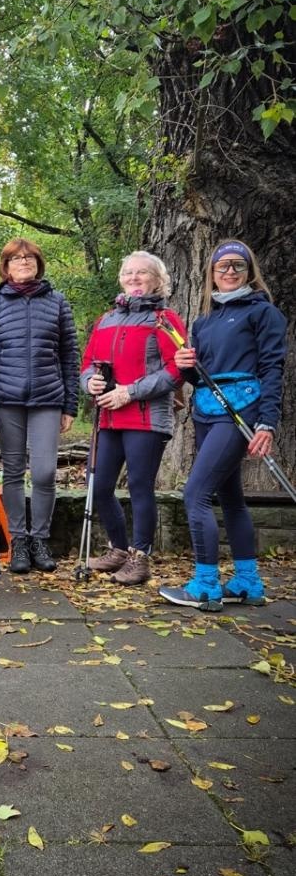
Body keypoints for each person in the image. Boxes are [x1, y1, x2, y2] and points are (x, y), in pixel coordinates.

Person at [160, 240, 286, 610]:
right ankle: (247, 581)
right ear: (212, 274)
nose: (230, 271)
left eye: (237, 265)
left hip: (240, 411)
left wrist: (266, 423)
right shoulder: (204, 320)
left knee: (195, 494)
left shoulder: (263, 313)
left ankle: (205, 586)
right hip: (206, 411)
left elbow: (272, 369)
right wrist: (185, 365)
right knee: (231, 498)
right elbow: (198, 376)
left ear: (249, 271)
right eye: (222, 266)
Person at [0, 239, 79, 575]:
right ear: (5, 266)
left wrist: (70, 405)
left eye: (29, 257)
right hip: (7, 400)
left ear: (38, 262)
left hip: (48, 398)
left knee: (44, 472)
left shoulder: (57, 302)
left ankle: (40, 539)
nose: (24, 261)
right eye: (16, 258)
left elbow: (70, 355)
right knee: (14, 471)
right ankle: (19, 540)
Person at [79, 251, 186, 585]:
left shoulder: (164, 319)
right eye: (128, 272)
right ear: (121, 278)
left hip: (146, 417)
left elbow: (177, 369)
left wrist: (130, 392)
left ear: (157, 280)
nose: (135, 278)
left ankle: (140, 558)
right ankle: (119, 550)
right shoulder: (106, 320)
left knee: (140, 486)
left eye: (143, 273)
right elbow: (87, 363)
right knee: (98, 485)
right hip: (108, 417)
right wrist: (89, 382)